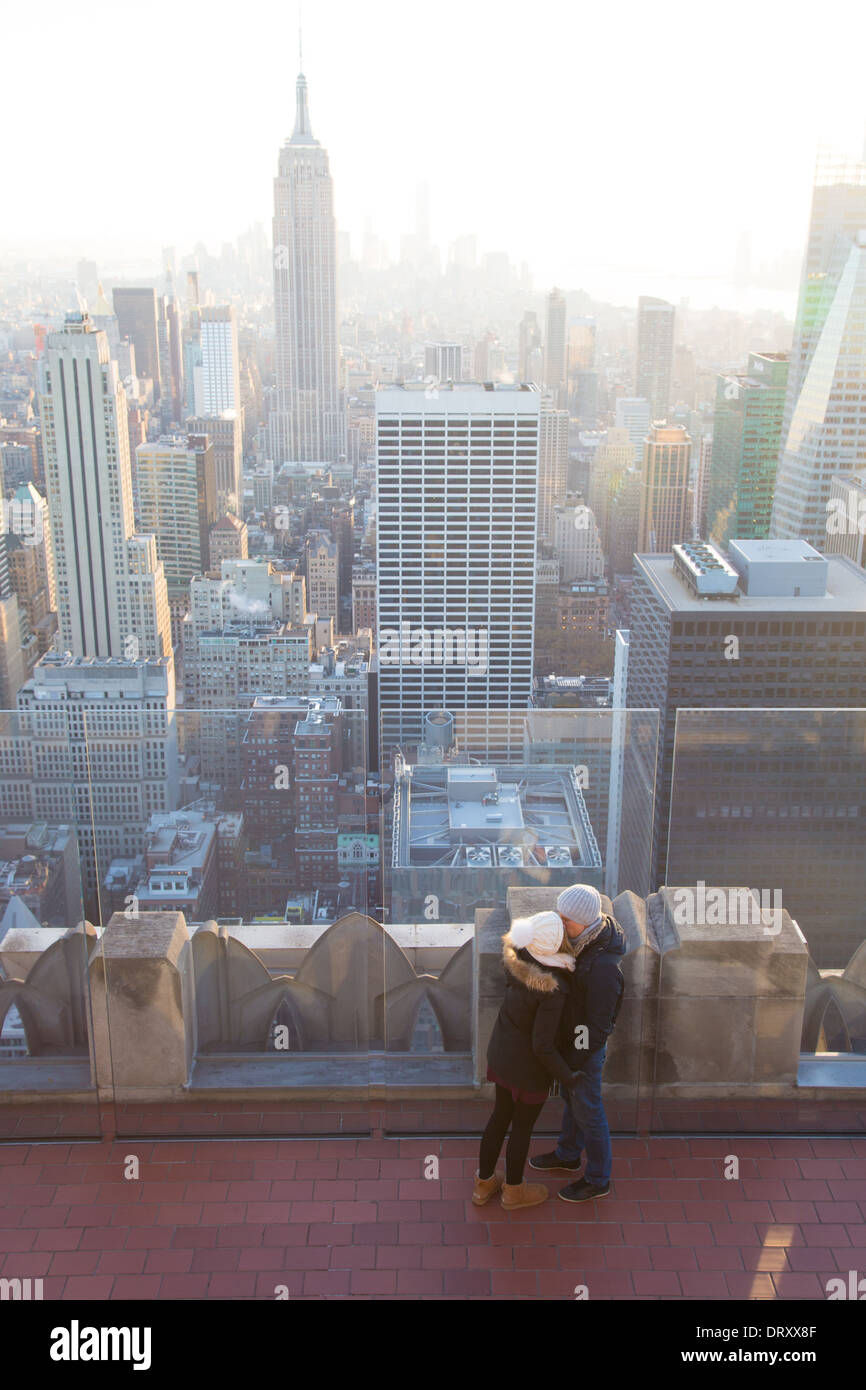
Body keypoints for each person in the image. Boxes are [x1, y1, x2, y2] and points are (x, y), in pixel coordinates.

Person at [473, 910, 578, 1211]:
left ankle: (483, 1184)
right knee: (522, 1127)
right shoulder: (552, 988)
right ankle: (514, 1191)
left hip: (502, 1056)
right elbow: (543, 1045)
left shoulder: (515, 963)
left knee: (499, 1117)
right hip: (530, 1071)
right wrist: (568, 1076)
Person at [529, 884, 626, 1203]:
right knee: (574, 1103)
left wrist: (573, 1059)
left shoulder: (603, 967)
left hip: (584, 1050)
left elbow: (598, 1027)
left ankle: (599, 1179)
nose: (560, 923)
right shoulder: (581, 943)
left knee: (589, 1110)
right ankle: (568, 1154)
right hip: (570, 1045)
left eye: (566, 919)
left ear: (585, 922)